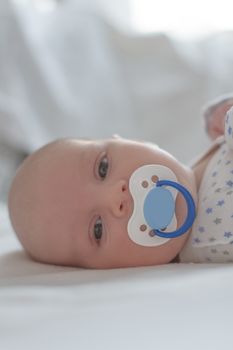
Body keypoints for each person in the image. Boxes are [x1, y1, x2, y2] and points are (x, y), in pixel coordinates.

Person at [7, 95, 233, 268]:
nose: (116, 198)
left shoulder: (197, 168)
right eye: (97, 229)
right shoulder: (215, 229)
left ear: (133, 140)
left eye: (103, 168)